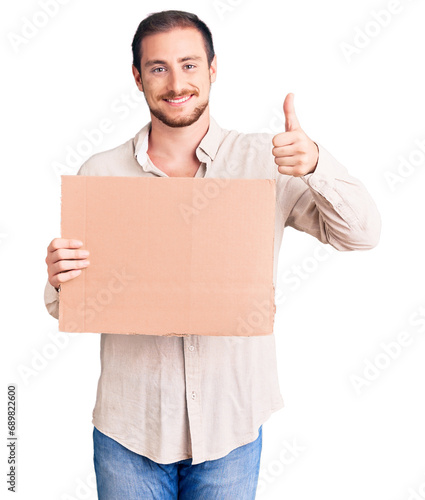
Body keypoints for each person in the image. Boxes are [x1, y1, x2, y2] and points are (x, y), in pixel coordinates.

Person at [44, 10, 381, 500]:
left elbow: (363, 234)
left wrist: (315, 165)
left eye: (189, 65)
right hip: (129, 431)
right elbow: (65, 305)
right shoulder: (101, 173)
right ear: (137, 78)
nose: (176, 82)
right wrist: (58, 279)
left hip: (231, 429)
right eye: (158, 68)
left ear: (213, 69)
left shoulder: (268, 160)